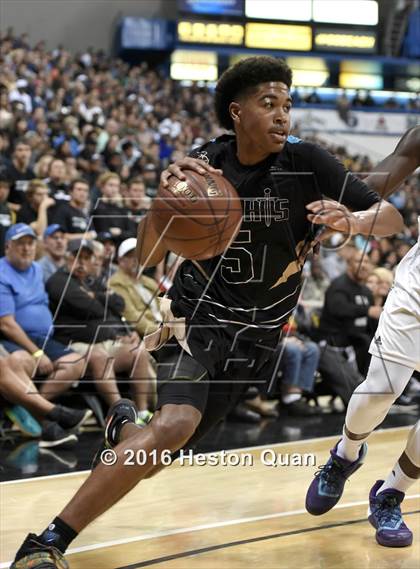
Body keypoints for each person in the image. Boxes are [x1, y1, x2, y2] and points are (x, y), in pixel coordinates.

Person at [10, 55, 403, 568]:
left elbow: (390, 216)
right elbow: (151, 254)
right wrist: (161, 203)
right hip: (195, 321)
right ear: (237, 113)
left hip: (258, 341)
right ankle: (45, 543)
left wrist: (352, 219)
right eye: (269, 104)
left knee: (155, 455)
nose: (283, 114)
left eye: (287, 104)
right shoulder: (205, 163)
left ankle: (126, 431)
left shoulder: (310, 163)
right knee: (171, 427)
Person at [306, 125, 420, 548]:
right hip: (418, 289)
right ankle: (345, 455)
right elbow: (371, 184)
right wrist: (342, 212)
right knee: (383, 388)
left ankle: (390, 494)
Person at [46, 239, 153, 412]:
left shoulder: (90, 282)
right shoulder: (58, 281)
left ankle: (143, 412)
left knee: (138, 351)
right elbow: (92, 308)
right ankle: (120, 412)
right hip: (74, 345)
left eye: (86, 258)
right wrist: (102, 299)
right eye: (77, 256)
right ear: (67, 258)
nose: (81, 262)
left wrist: (94, 296)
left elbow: (119, 303)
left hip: (104, 341)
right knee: (100, 356)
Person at [0, 223, 85, 402]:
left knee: (76, 363)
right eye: (20, 243)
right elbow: (6, 325)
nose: (26, 248)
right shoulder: (2, 272)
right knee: (22, 363)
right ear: (8, 246)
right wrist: (37, 353)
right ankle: (43, 412)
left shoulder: (37, 269)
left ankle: (37, 408)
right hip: (14, 339)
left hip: (44, 338)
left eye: (30, 243)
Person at [318, 250, 381, 376]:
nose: (363, 265)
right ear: (349, 264)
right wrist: (367, 310)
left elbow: (371, 324)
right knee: (365, 343)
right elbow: (338, 308)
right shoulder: (339, 285)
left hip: (360, 341)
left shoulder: (366, 291)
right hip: (336, 341)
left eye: (366, 262)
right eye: (359, 261)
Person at [108, 237, 161, 339]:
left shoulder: (149, 281)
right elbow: (132, 316)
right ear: (120, 260)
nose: (136, 260)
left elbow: (166, 306)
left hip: (163, 327)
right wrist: (160, 330)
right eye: (132, 256)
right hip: (147, 335)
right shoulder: (116, 283)